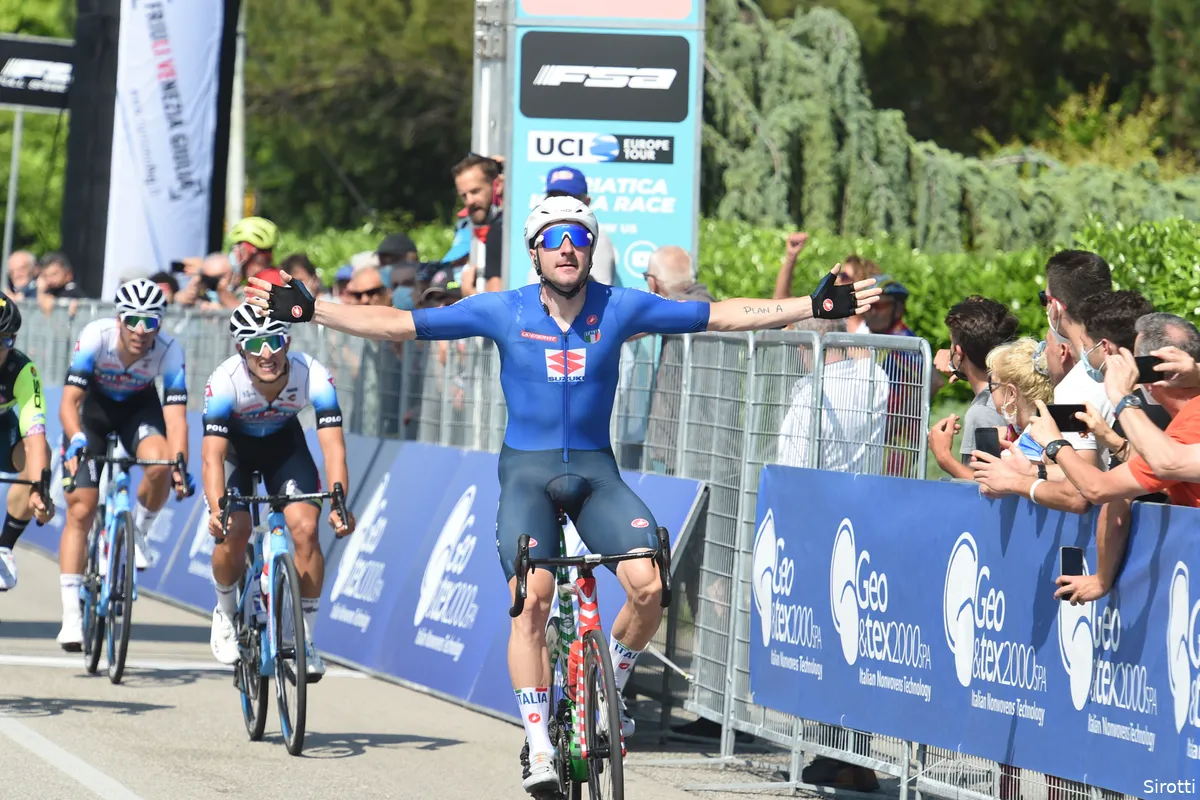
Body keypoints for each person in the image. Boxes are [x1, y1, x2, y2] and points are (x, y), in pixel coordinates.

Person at [246, 195, 880, 794]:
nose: (568, 249)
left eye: (579, 238)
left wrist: (809, 307)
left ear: (590, 247)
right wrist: (315, 310)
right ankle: (539, 744)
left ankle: (610, 692)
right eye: (554, 240)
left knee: (649, 585)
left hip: (598, 475)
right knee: (534, 600)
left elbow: (720, 314)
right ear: (535, 253)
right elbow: (398, 325)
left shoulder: (622, 306)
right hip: (527, 473)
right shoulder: (504, 309)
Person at [203, 305, 355, 680]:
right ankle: (224, 610)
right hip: (236, 453)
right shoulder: (224, 382)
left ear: (287, 341)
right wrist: (215, 508)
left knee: (305, 529)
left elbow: (333, 447)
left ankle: (304, 639)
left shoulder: (313, 374)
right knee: (234, 532)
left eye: (274, 341)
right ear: (241, 349)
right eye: (255, 344)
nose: (266, 353)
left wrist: (338, 500)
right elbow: (212, 457)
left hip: (284, 449)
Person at [57, 279, 192, 650]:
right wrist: (77, 439)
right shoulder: (95, 336)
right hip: (93, 416)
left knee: (161, 463)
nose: (140, 330)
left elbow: (177, 417)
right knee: (81, 509)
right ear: (119, 319)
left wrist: (179, 461)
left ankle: (141, 532)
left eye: (150, 322)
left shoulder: (168, 350)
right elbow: (69, 402)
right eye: (133, 320)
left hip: (138, 411)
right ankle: (71, 616)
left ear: (160, 325)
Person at [776, 316, 890, 473]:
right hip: (868, 496)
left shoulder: (807, 399)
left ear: (802, 346)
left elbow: (791, 472)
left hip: (819, 496)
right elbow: (864, 353)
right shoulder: (876, 382)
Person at [928, 296, 1018, 479]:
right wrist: (965, 372)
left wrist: (943, 456)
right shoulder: (1012, 392)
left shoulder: (981, 413)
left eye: (951, 344)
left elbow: (985, 485)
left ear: (959, 353)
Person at [0, 295, 55, 589]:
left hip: (3, 430)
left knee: (40, 453)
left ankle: (5, 546)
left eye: (3, 342)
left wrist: (39, 489)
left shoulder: (22, 370)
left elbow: (35, 437)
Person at [524, 167, 616, 287]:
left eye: (571, 197)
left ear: (587, 202)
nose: (564, 202)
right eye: (555, 196)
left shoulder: (596, 236)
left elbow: (600, 292)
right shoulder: (537, 231)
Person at [773, 239, 878, 335]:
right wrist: (791, 257)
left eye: (844, 276)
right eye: (839, 275)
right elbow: (781, 305)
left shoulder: (873, 327)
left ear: (861, 281)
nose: (838, 279)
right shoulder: (826, 317)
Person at [449, 154, 504, 295]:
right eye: (464, 195)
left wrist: (470, 294)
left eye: (475, 191)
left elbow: (495, 308)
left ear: (498, 185)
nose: (469, 201)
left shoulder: (499, 232)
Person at [227, 216, 284, 303]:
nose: (234, 251)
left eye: (238, 245)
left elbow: (253, 314)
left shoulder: (268, 281)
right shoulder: (257, 279)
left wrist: (224, 296)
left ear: (250, 249)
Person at [37, 252, 84, 316]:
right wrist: (41, 290)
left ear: (68, 274)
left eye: (54, 274)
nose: (49, 280)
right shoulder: (49, 290)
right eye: (45, 276)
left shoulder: (72, 291)